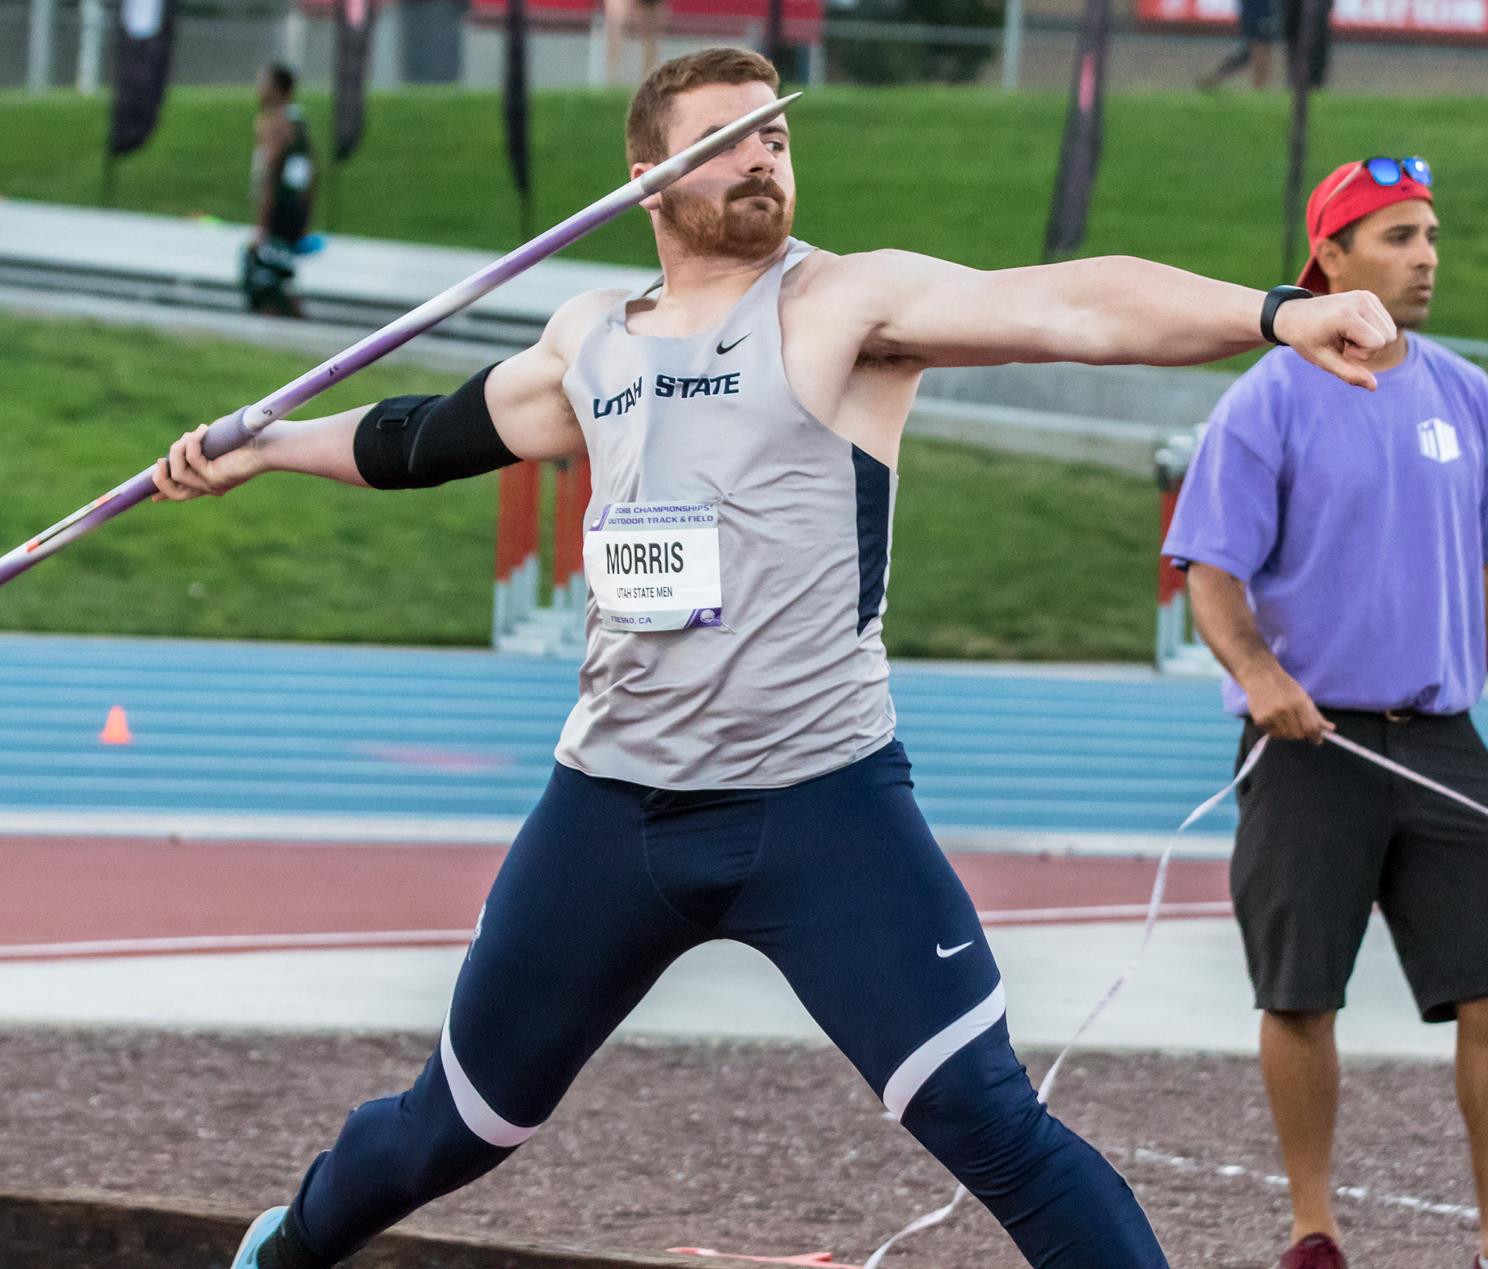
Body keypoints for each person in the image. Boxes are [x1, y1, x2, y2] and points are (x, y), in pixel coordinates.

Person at [155, 48, 1395, 1269]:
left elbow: (1072, 305)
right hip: (613, 810)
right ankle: (285, 1251)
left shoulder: (843, 305)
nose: (761, 157)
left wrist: (1275, 313)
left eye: (775, 136)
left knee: (987, 1125)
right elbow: (428, 434)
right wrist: (262, 447)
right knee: (458, 1125)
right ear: (648, 179)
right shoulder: (593, 339)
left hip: (820, 807)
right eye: (725, 139)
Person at [1162, 156, 1488, 1269]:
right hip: (1310, 743)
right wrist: (1261, 680)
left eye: (1430, 235)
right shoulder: (1265, 400)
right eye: (1396, 236)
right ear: (1330, 259)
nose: (1426, 256)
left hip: (1442, 739)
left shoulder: (1463, 393)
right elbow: (1208, 572)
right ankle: (1313, 1228)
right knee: (1300, 996)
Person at [241, 61, 313, 318]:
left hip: (279, 209)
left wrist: (262, 220)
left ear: (280, 89)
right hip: (293, 208)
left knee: (265, 276)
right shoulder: (298, 120)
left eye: (265, 83)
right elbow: (309, 173)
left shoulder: (276, 123)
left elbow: (270, 173)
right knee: (282, 274)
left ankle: (282, 324)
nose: (260, 89)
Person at [1197, 0, 1274, 91]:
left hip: (1258, 9)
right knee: (1256, 48)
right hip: (1255, 10)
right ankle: (1258, 89)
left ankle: (1215, 79)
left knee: (1255, 48)